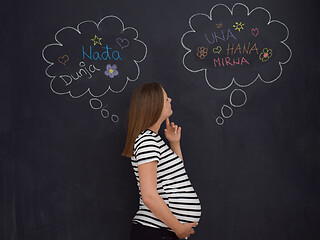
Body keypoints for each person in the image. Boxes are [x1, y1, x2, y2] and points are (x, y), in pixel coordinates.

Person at [122, 82, 201, 240]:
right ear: (154, 105)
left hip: (163, 232)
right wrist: (179, 228)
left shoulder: (153, 140)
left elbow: (177, 174)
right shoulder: (147, 141)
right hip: (156, 232)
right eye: (166, 99)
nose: (170, 100)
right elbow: (149, 195)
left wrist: (174, 142)